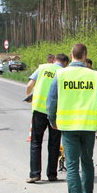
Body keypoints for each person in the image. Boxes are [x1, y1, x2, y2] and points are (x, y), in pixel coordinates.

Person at [47, 44, 97, 193]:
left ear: (71, 55)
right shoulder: (95, 76)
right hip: (88, 126)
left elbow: (51, 102)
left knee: (72, 165)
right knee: (87, 162)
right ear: (85, 55)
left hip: (68, 126)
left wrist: (52, 120)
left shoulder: (60, 74)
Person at [25, 53, 69, 183]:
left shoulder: (43, 68)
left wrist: (29, 96)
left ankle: (34, 174)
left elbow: (29, 86)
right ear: (65, 62)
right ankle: (52, 174)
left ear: (54, 60)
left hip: (39, 110)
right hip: (56, 112)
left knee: (36, 142)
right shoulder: (64, 72)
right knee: (54, 143)